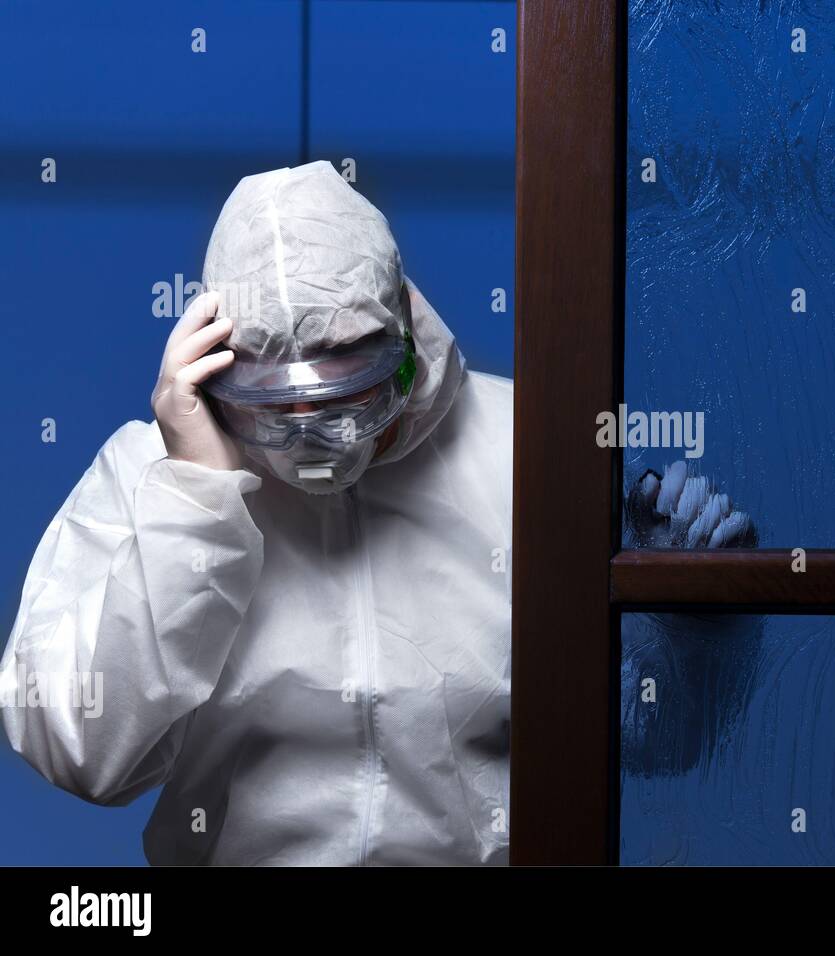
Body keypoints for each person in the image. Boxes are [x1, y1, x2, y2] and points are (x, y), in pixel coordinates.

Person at [0, 161, 752, 865]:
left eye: (346, 402)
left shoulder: (530, 454)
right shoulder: (149, 480)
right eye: (272, 413)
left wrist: (683, 620)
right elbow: (85, 757)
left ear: (406, 350)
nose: (312, 440)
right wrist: (196, 500)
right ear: (212, 378)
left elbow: (657, 744)